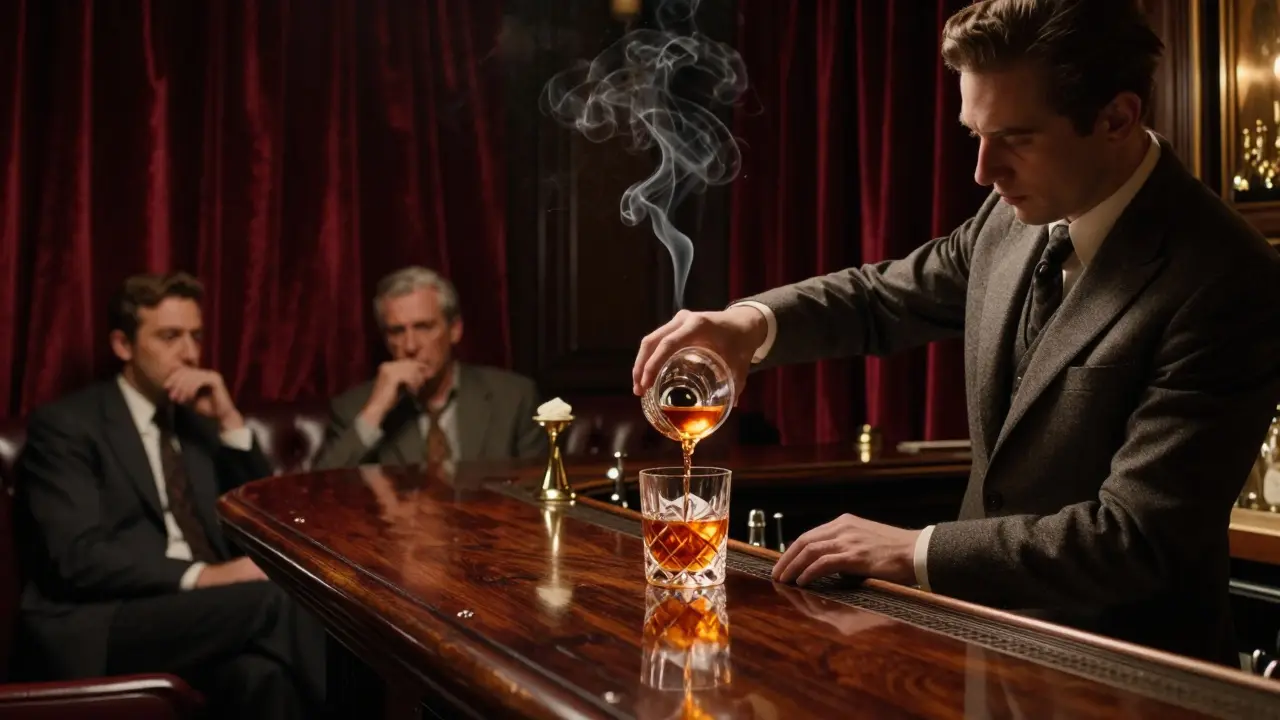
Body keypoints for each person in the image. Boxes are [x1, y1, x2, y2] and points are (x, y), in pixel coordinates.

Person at [631, 0, 1280, 667]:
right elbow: (880, 298)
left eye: (1017, 138)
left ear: (1117, 118)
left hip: (1129, 681)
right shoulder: (1012, 215)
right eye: (975, 133)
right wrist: (748, 323)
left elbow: (1136, 538)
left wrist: (915, 551)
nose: (982, 171)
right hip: (980, 658)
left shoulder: (1225, 278)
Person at [13, 272, 326, 719]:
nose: (190, 353)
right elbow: (77, 556)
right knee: (280, 598)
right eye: (169, 336)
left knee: (263, 676)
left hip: (200, 617)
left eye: (195, 336)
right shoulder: (68, 426)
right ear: (123, 346)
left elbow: (264, 519)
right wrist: (204, 576)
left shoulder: (195, 423)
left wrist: (230, 420)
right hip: (110, 617)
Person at [315, 266, 544, 470]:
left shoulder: (513, 397)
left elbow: (540, 495)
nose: (411, 346)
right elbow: (317, 495)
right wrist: (376, 410)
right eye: (397, 331)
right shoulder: (355, 408)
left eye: (424, 327)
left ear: (454, 330)